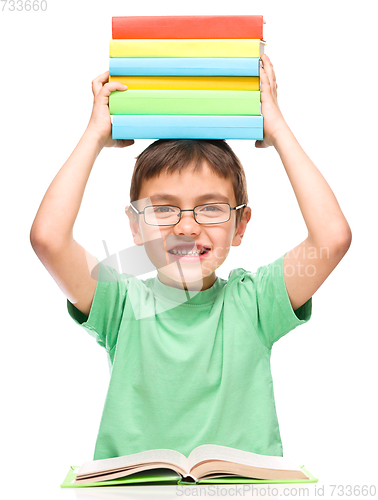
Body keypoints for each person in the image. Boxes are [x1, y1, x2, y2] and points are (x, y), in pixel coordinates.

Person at [30, 54, 352, 461]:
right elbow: (48, 239)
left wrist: (278, 131)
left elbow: (333, 237)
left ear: (240, 226)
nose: (186, 228)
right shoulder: (119, 301)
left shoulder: (255, 302)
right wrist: (94, 136)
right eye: (163, 209)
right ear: (135, 227)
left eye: (211, 208)